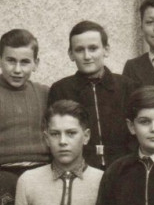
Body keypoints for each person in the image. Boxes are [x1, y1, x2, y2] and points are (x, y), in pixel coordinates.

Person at [47, 20, 136, 170]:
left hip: (124, 169)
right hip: (80, 170)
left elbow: (136, 131)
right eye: (79, 50)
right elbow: (54, 133)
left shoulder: (127, 86)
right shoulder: (60, 89)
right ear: (71, 54)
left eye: (93, 48)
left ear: (106, 50)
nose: (87, 56)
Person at [0, 28, 51, 178]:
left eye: (25, 62)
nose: (17, 70)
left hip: (41, 169)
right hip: (0, 171)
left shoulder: (45, 93)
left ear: (36, 63)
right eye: (11, 61)